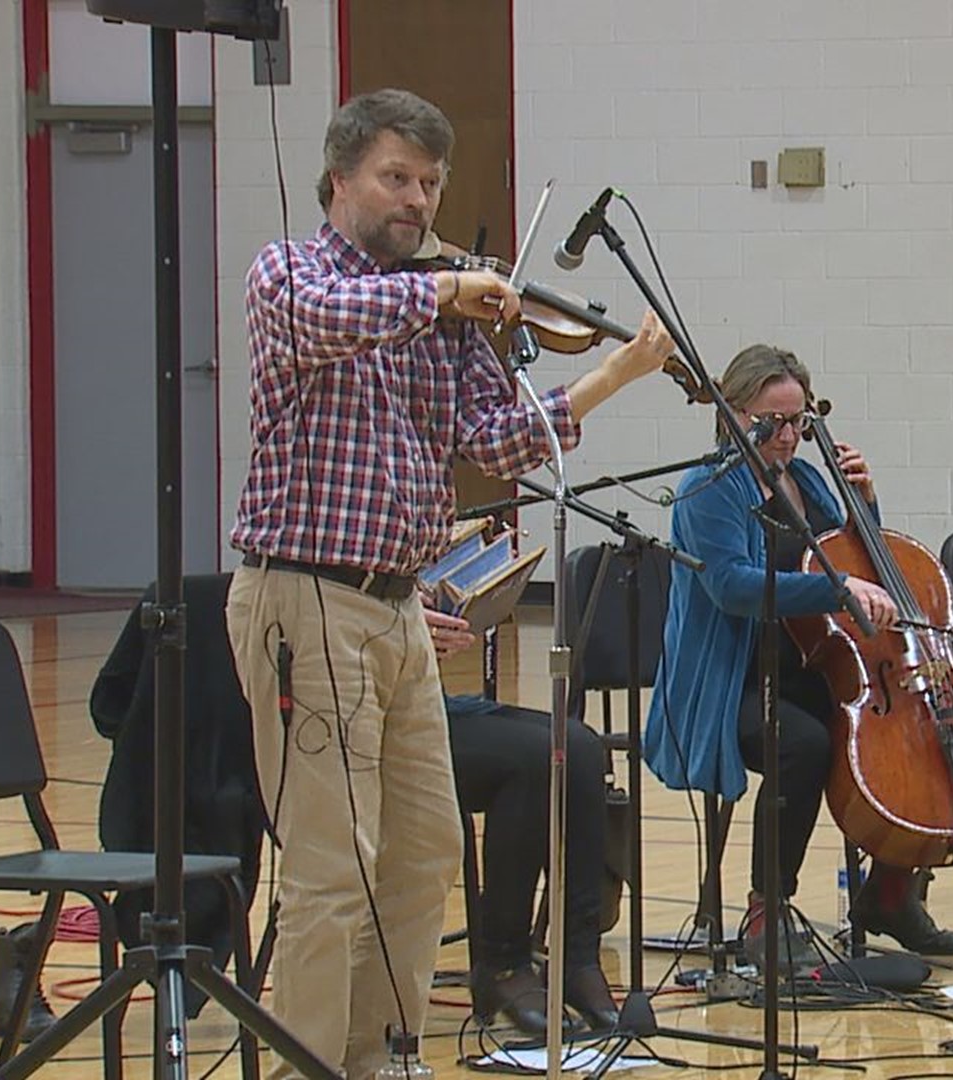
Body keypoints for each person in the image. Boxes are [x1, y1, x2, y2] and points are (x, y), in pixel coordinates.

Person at [224, 87, 669, 1078]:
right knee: (332, 869)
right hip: (303, 596)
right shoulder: (291, 275)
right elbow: (336, 318)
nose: (416, 201)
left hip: (399, 608)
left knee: (421, 852)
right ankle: (308, 1065)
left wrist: (615, 375)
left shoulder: (437, 312)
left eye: (430, 184)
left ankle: (384, 1054)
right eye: (396, 178)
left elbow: (492, 438)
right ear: (339, 180)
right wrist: (441, 292)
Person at [645, 344, 953, 960]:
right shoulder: (708, 489)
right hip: (729, 680)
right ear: (734, 414)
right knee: (803, 744)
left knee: (910, 728)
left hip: (808, 666)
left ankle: (893, 893)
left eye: (798, 421)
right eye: (773, 421)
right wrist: (835, 588)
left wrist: (864, 506)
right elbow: (733, 586)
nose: (789, 435)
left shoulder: (811, 479)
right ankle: (768, 906)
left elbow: (854, 559)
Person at [423, 607, 622, 1034]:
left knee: (581, 748)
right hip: (371, 715)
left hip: (424, 695)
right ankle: (503, 962)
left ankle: (578, 959)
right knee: (532, 761)